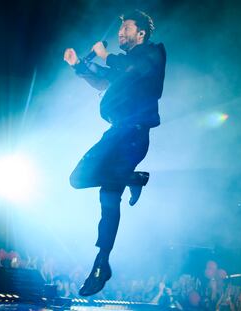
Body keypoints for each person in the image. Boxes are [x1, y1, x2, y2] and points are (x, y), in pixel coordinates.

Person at [63, 10, 166, 296]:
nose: (121, 32)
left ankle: (100, 263)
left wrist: (105, 54)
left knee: (87, 183)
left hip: (132, 134)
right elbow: (103, 80)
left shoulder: (153, 54)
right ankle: (102, 262)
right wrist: (77, 66)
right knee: (101, 195)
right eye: (120, 28)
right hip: (119, 132)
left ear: (141, 33)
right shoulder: (125, 66)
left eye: (127, 28)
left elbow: (130, 68)